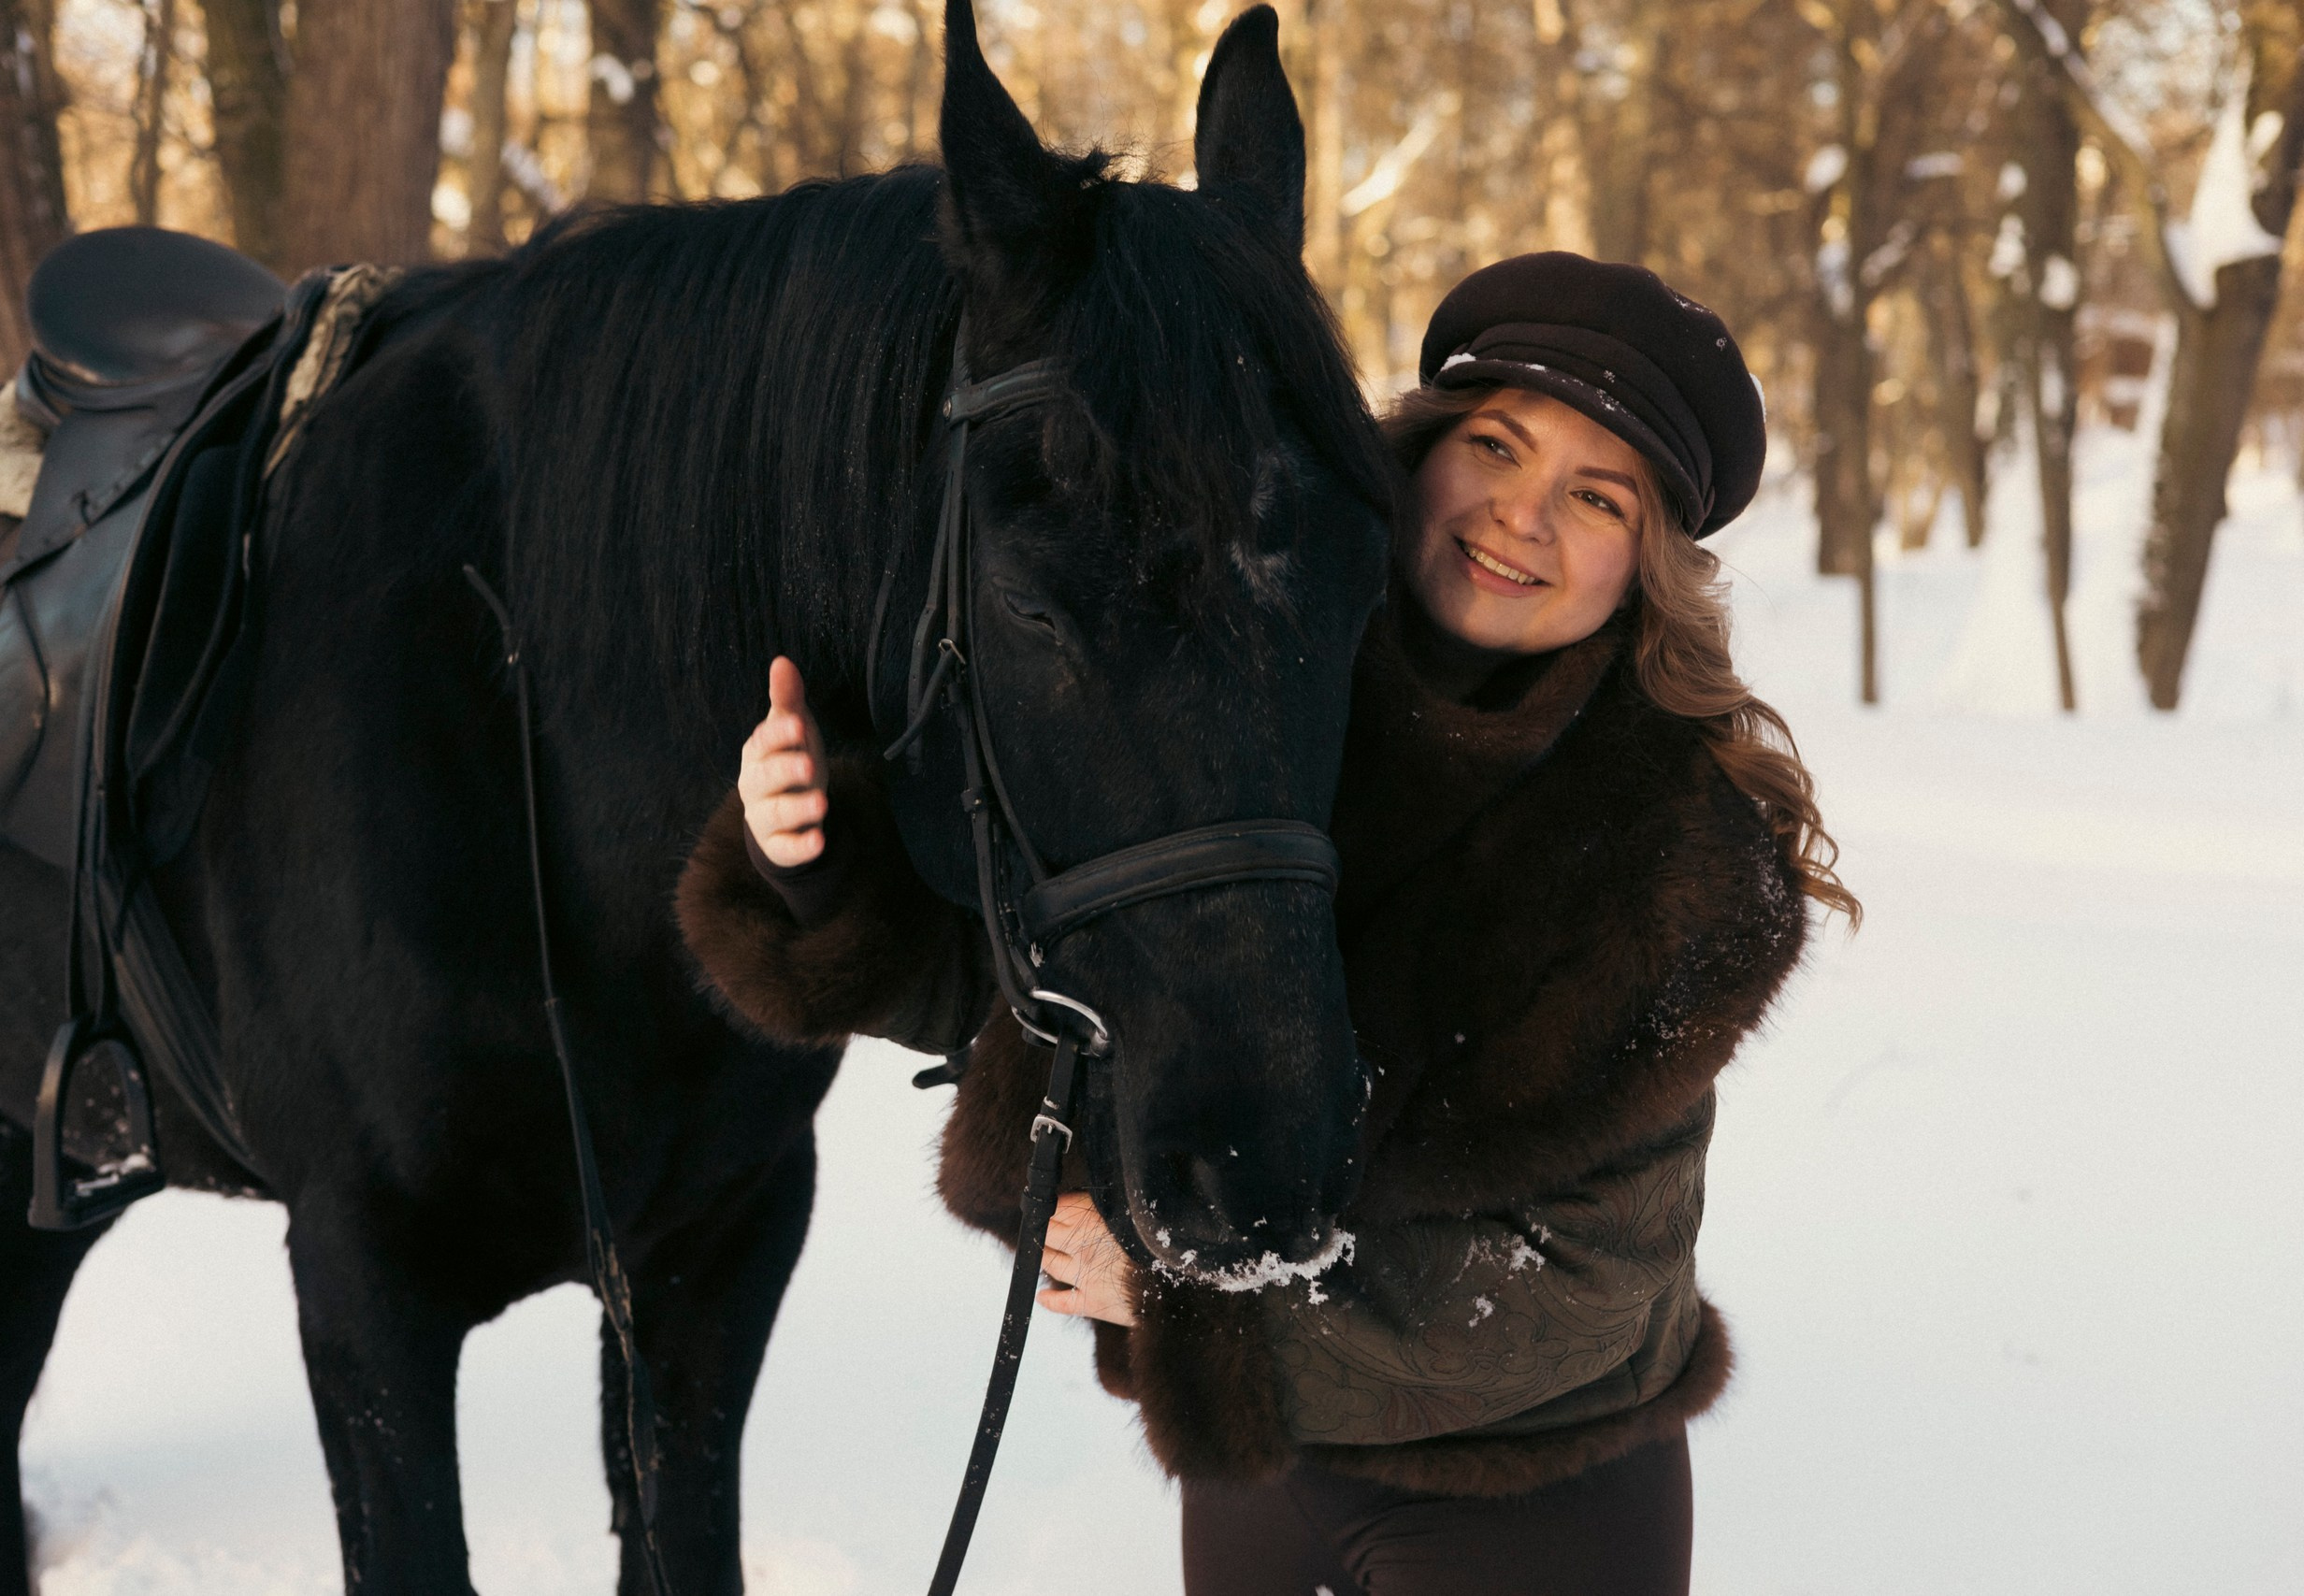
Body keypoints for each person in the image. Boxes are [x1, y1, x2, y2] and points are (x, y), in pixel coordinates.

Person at [679, 252, 1859, 1595]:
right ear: (1413, 455)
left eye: (1597, 497)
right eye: (1497, 446)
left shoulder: (1678, 853)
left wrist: (1190, 1313)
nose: (1523, 516)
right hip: (1262, 1485)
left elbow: (1572, 1288)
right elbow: (1052, 977)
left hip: (1534, 1497)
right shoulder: (1241, 713)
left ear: (1646, 565)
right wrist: (816, 871)